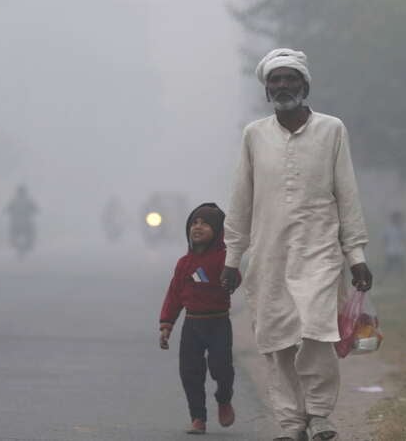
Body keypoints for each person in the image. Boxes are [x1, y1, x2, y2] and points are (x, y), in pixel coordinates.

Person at [220, 48, 373, 441]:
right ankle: (290, 424)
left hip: (320, 252)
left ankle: (320, 414)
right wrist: (233, 258)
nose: (283, 85)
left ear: (305, 85)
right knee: (277, 341)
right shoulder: (254, 135)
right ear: (267, 90)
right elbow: (241, 199)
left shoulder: (332, 129)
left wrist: (355, 254)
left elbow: (347, 193)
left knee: (317, 333)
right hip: (269, 257)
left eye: (291, 78)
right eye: (276, 80)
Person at [158, 203, 240, 435]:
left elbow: (237, 278)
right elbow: (174, 295)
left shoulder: (225, 258)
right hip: (192, 324)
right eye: (194, 222)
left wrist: (232, 275)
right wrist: (167, 325)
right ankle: (198, 418)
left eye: (205, 223)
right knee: (190, 372)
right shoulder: (184, 264)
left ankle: (224, 398)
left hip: (218, 323)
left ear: (218, 231)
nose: (198, 227)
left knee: (222, 368)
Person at [382, 210, 406, 278]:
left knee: (401, 267)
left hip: (399, 251)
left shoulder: (401, 228)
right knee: (388, 267)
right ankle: (383, 279)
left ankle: (403, 279)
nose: (398, 220)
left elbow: (403, 239)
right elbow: (384, 239)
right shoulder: (388, 229)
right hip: (391, 251)